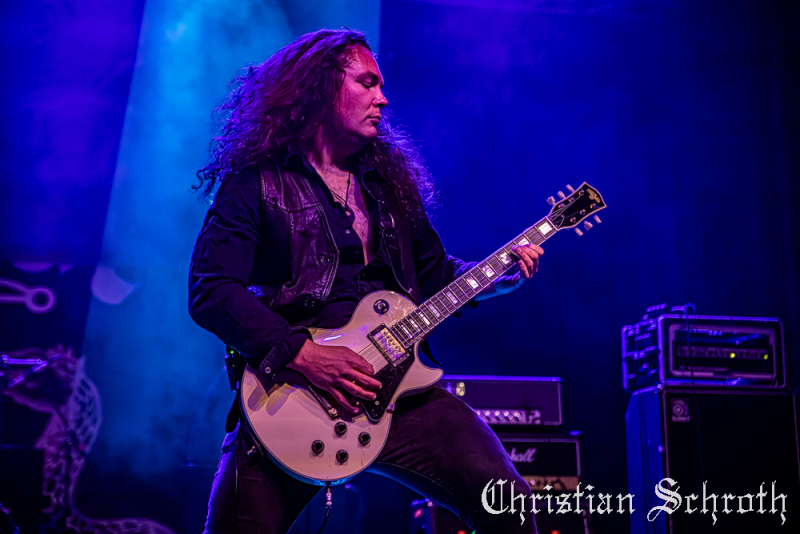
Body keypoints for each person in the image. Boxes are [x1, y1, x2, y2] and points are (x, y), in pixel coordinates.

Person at [189, 28, 543, 534]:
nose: (383, 98)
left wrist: (493, 279)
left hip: (399, 391)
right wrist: (304, 355)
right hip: (290, 397)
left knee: (511, 507)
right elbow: (211, 289)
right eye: (367, 83)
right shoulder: (257, 184)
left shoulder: (389, 186)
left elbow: (435, 275)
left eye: (381, 85)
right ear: (319, 87)